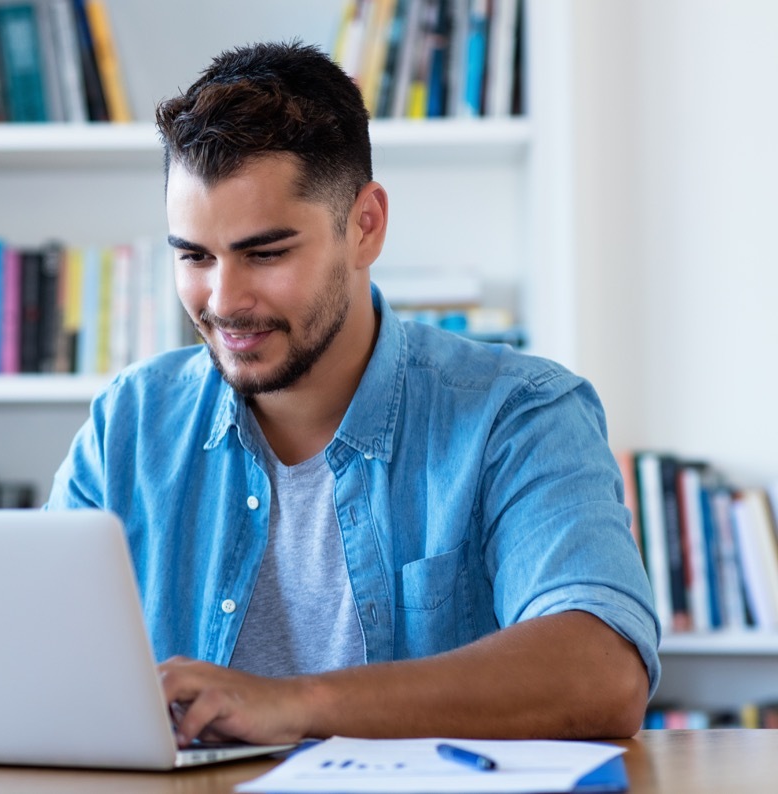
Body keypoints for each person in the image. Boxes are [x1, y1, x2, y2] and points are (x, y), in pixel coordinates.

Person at [45, 41, 659, 746]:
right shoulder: (130, 422)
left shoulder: (518, 415)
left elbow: (601, 677)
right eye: (194, 256)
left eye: (266, 253)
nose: (223, 300)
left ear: (365, 226)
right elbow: (32, 654)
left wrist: (294, 703)